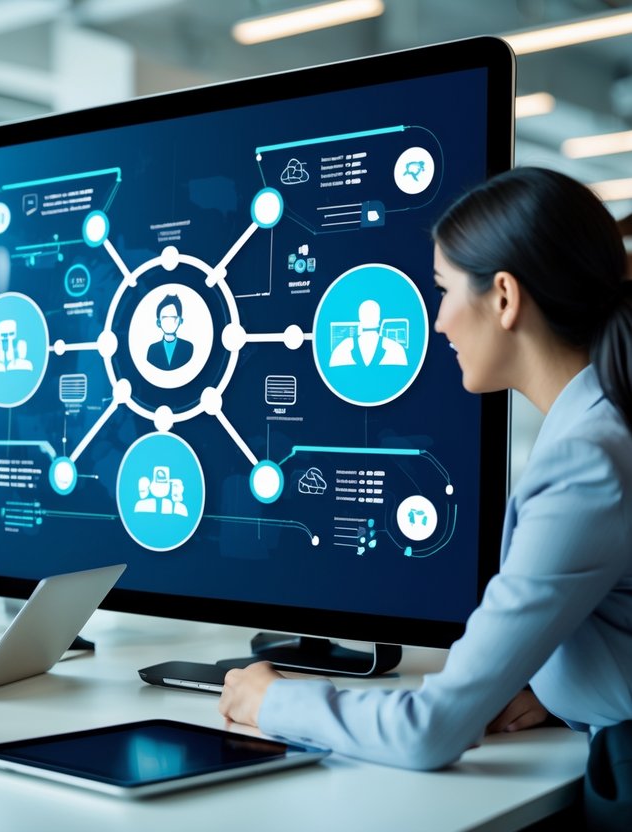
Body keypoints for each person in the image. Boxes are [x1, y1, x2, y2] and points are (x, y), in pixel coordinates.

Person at [218, 167, 632, 770]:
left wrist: (275, 700)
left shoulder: (585, 463)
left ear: (506, 298)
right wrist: (558, 686)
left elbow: (428, 732)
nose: (436, 322)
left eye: (442, 289)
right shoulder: (604, 424)